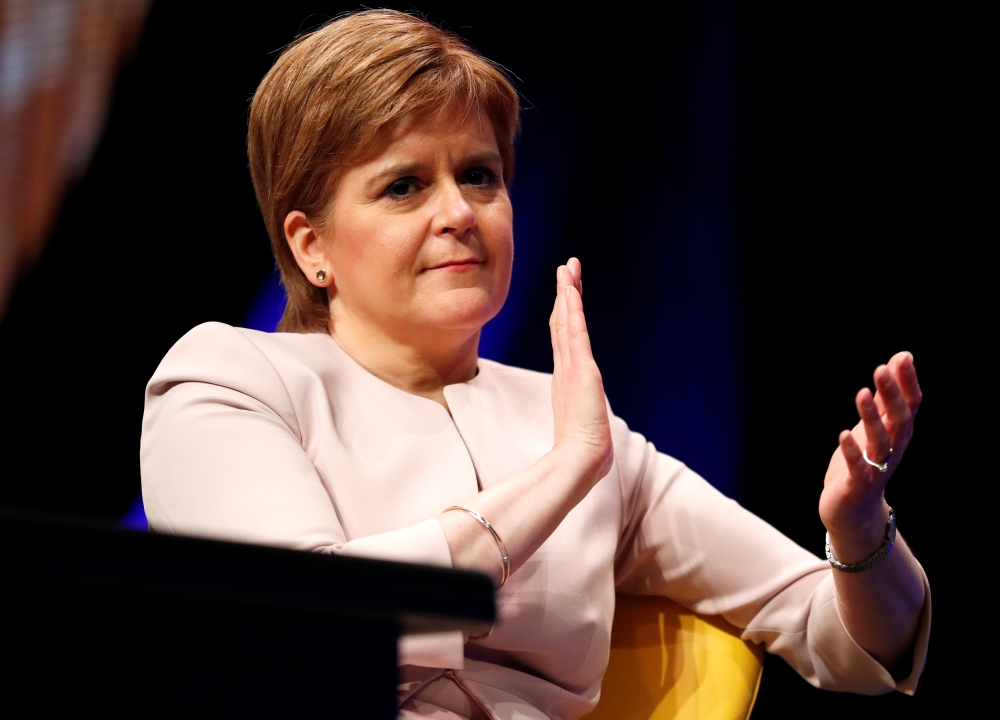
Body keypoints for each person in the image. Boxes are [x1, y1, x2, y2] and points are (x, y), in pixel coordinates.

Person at [140, 10, 930, 719]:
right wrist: (563, 473)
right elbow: (304, 625)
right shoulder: (230, 378)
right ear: (311, 245)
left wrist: (859, 532)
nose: (458, 212)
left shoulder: (576, 432)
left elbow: (845, 642)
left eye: (479, 175)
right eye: (405, 186)